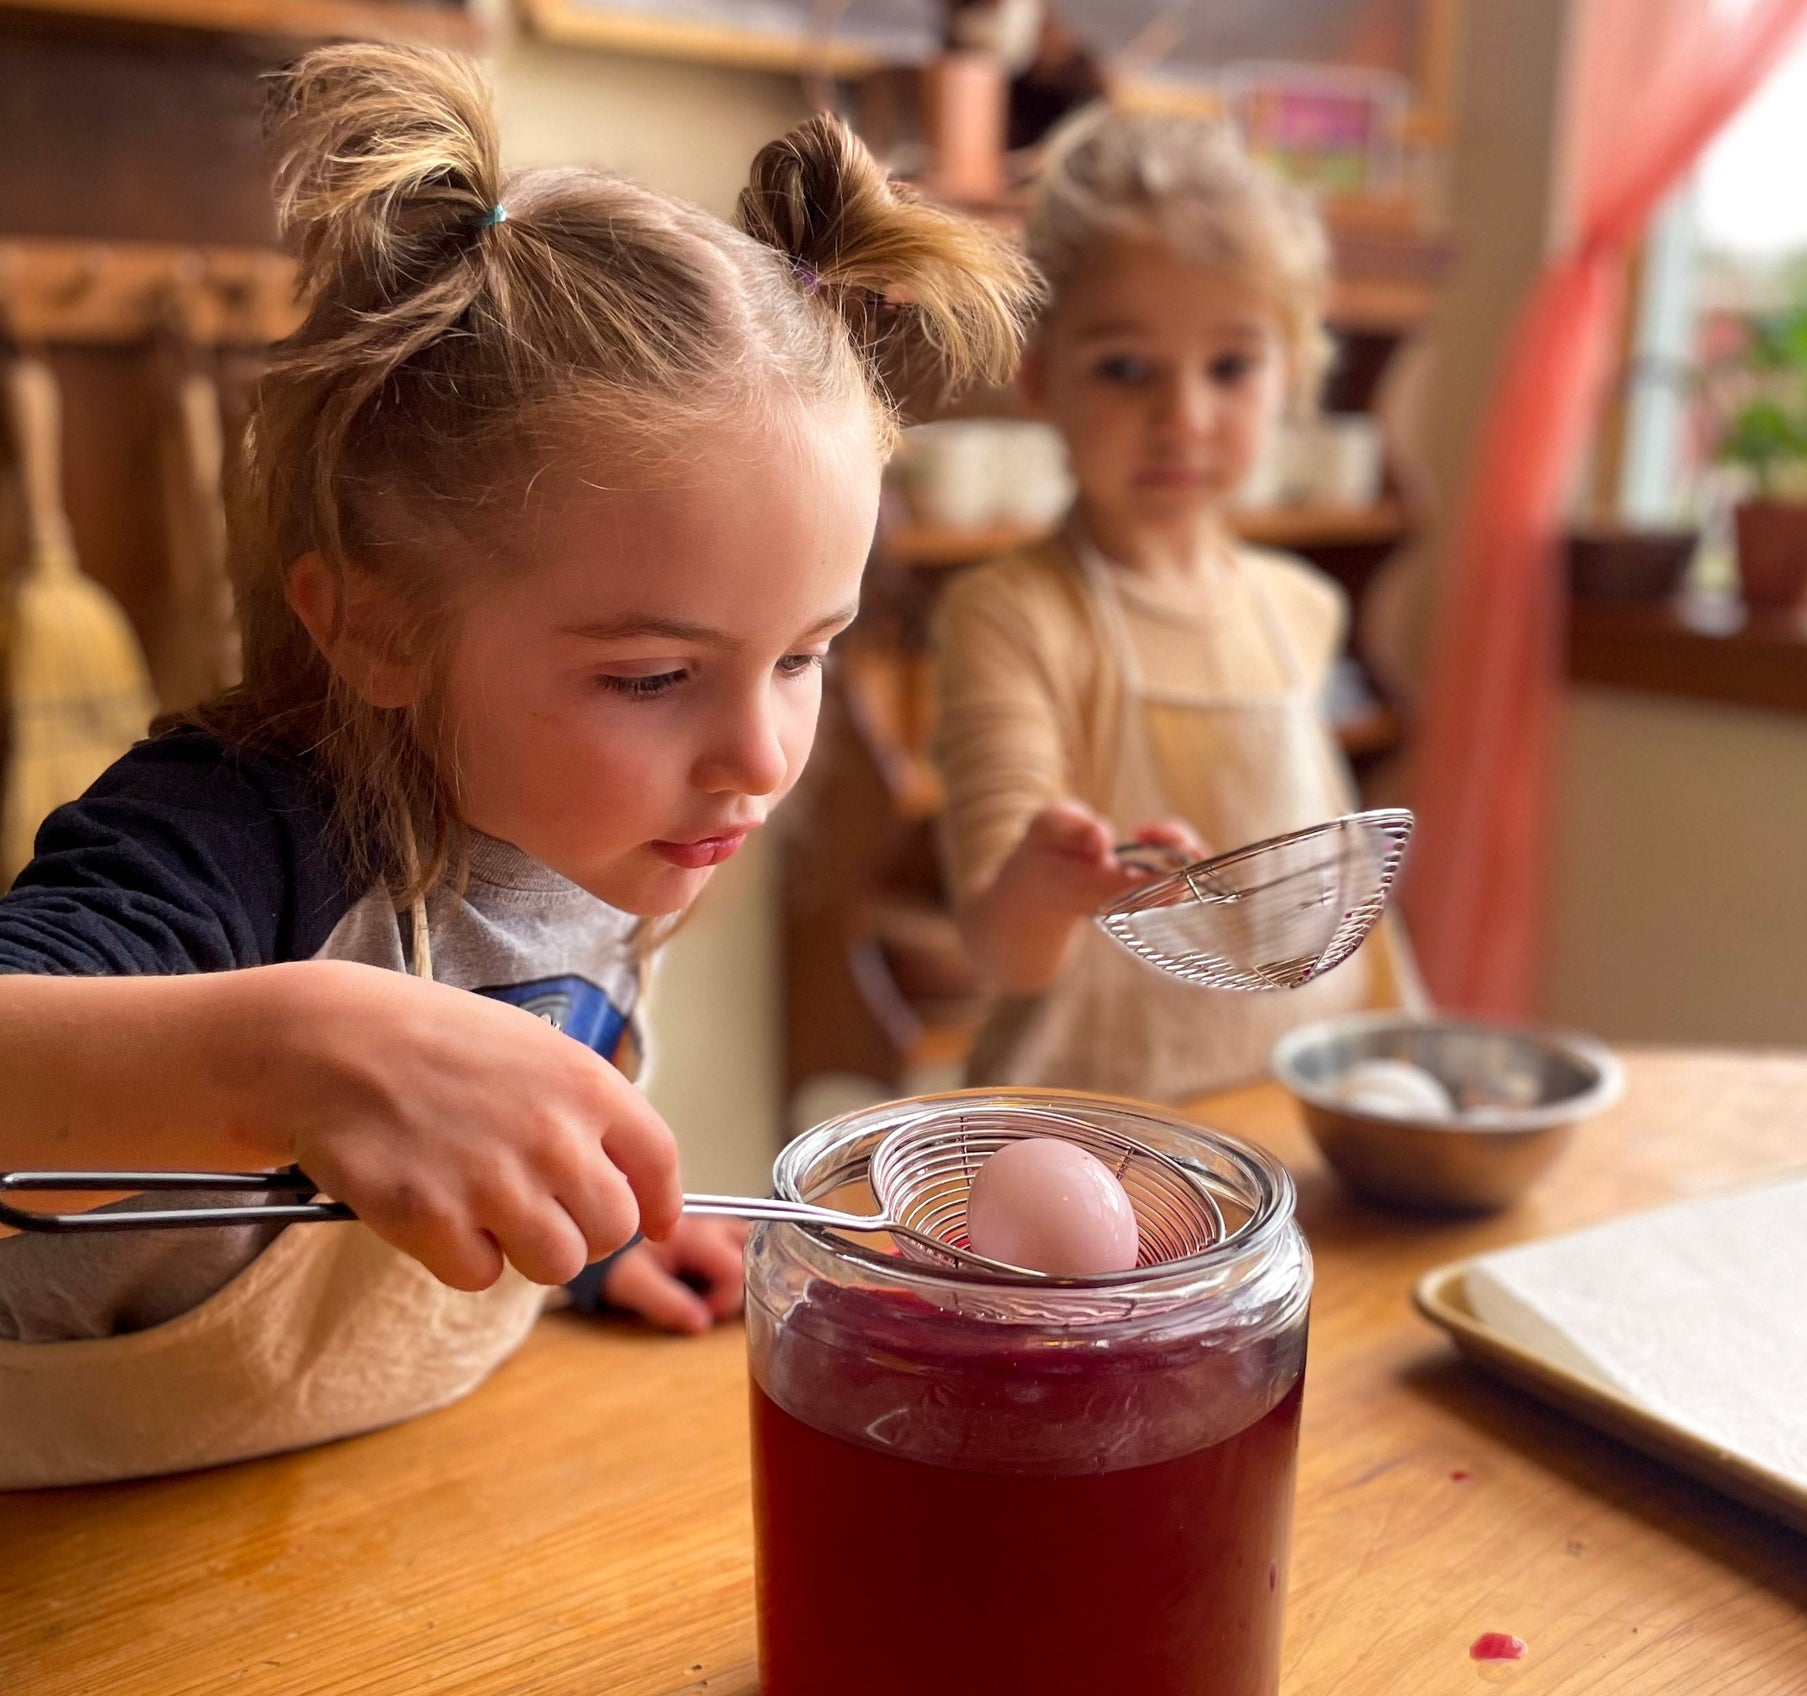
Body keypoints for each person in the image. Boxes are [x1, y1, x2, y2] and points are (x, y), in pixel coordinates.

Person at [0, 46, 1031, 1486]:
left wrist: (587, 1244)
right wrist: (286, 1054)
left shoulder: (626, 822)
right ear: (373, 626)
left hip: (351, 1499)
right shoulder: (231, 834)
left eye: (804, 656)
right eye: (653, 678)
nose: (758, 754)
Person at [933, 108, 1385, 1104]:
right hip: (1089, 1142)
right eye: (1126, 369)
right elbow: (1003, 952)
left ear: (1293, 377)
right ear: (1040, 378)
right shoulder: (1010, 616)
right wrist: (1045, 888)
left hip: (1287, 1113)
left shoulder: (1300, 608)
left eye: (1229, 367)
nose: (1182, 416)